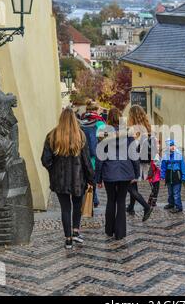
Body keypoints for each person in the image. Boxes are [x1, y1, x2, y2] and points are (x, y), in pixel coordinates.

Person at [41, 108, 95, 250]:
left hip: (60, 181)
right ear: (74, 119)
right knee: (77, 206)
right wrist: (91, 178)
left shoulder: (52, 135)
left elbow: (45, 160)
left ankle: (68, 239)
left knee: (65, 209)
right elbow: (86, 161)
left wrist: (55, 171)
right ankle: (76, 231)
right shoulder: (80, 136)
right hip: (78, 180)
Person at [95, 108, 153, 240]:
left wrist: (98, 178)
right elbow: (134, 156)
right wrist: (136, 174)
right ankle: (120, 232)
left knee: (111, 200)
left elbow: (100, 158)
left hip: (109, 172)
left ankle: (109, 230)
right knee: (121, 201)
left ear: (108, 119)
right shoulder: (128, 135)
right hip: (126, 172)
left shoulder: (104, 135)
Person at [126, 106, 156, 220]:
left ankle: (146, 207)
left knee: (129, 186)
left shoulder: (132, 129)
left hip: (134, 161)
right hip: (143, 161)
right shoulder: (148, 128)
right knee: (133, 185)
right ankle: (131, 207)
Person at [80, 100, 106, 208]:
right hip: (96, 156)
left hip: (83, 156)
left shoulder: (81, 122)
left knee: (86, 178)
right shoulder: (100, 123)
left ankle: (92, 199)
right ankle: (93, 200)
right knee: (93, 179)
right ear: (95, 110)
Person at [161, 140, 185, 213]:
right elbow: (163, 166)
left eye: (173, 145)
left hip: (177, 175)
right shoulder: (165, 156)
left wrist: (184, 176)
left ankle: (178, 206)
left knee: (176, 193)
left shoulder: (179, 155)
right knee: (170, 192)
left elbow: (183, 166)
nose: (172, 147)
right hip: (169, 175)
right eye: (170, 145)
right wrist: (162, 175)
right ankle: (171, 203)